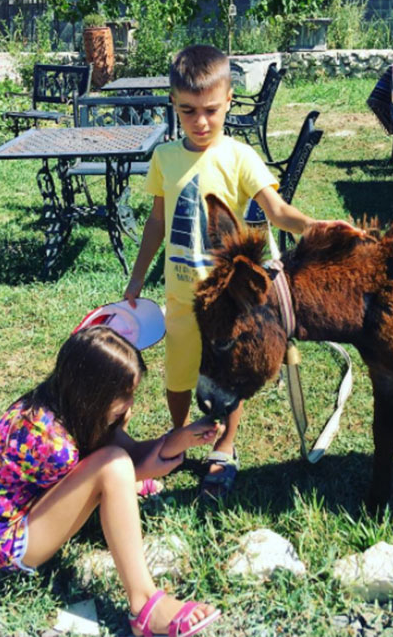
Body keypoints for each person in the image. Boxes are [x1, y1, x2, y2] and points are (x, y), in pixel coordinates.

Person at [123, 44, 351, 500]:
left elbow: (278, 210)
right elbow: (155, 223)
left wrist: (313, 227)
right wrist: (136, 276)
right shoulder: (165, 158)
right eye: (188, 110)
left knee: (231, 370)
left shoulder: (241, 157)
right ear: (173, 102)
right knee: (179, 374)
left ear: (229, 100)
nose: (200, 121)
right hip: (181, 297)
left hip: (230, 303)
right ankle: (180, 436)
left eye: (210, 110)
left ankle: (224, 448)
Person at [0, 325, 223, 637]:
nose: (131, 404)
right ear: (95, 394)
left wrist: (180, 440)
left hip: (26, 511)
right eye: (126, 396)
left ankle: (145, 597)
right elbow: (110, 473)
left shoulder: (62, 403)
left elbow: (131, 455)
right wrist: (133, 476)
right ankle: (144, 606)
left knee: (115, 463)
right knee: (114, 467)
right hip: (8, 542)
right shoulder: (51, 442)